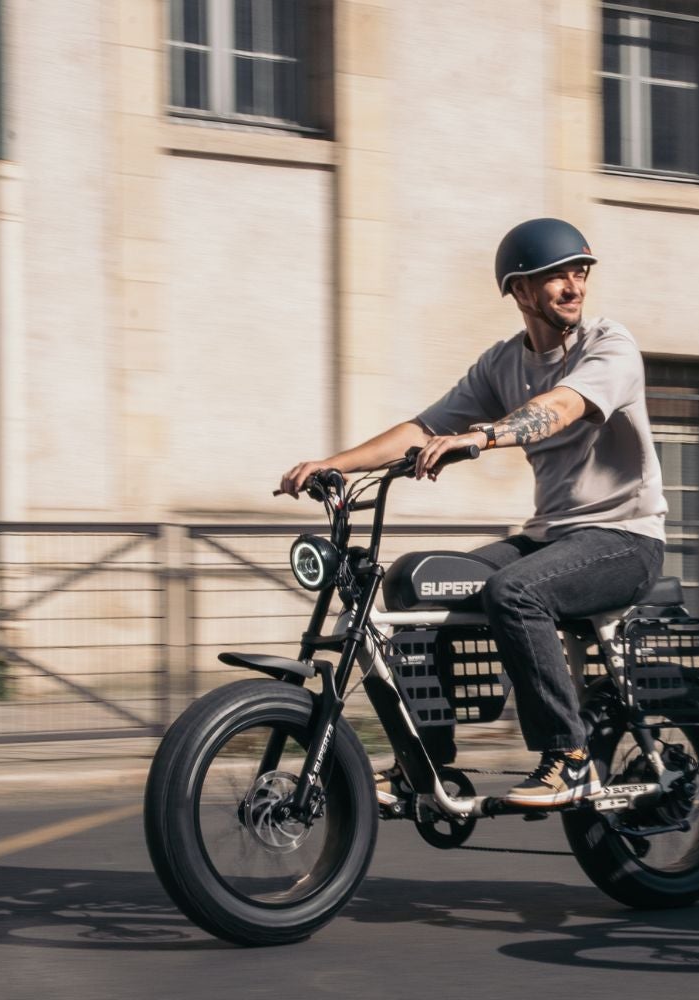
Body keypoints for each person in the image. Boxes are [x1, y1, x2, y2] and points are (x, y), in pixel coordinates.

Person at [278, 218, 666, 808]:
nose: (573, 285)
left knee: (515, 592)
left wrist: (483, 437)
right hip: (552, 539)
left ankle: (570, 756)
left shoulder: (610, 346)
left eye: (580, 272)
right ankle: (424, 758)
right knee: (414, 581)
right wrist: (335, 463)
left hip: (626, 538)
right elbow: (424, 426)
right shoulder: (502, 364)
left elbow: (561, 407)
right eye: (555, 275)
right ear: (520, 290)